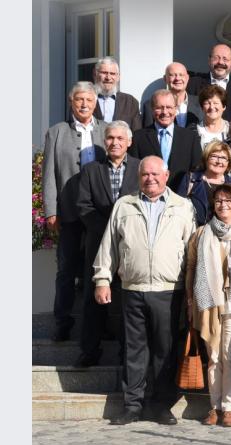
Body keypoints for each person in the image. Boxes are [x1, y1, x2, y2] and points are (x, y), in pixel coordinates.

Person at [93, 156, 196, 426]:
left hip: (169, 290)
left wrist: (191, 292)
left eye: (155, 174)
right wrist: (102, 279)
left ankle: (161, 405)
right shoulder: (124, 205)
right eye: (145, 174)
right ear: (139, 177)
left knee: (165, 349)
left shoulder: (182, 206)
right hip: (133, 288)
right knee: (134, 350)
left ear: (166, 175)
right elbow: (109, 246)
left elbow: (191, 251)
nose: (150, 178)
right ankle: (132, 405)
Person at [185, 183, 231, 428]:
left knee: (230, 357)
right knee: (214, 357)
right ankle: (214, 407)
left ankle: (229, 408)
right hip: (209, 303)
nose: (223, 205)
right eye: (218, 201)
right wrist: (190, 297)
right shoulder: (202, 233)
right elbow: (191, 266)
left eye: (228, 201)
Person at [43, 81, 107, 341]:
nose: (84, 104)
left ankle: (98, 326)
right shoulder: (57, 132)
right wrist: (50, 210)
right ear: (71, 102)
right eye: (79, 99)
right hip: (68, 210)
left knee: (98, 269)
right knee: (66, 268)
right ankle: (63, 321)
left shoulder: (105, 131)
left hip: (98, 211)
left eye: (89, 100)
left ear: (95, 103)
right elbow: (48, 175)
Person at [75, 121, 140, 367]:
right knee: (93, 299)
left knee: (128, 300)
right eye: (110, 138)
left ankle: (126, 353)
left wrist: (123, 232)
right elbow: (83, 206)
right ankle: (89, 350)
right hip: (97, 243)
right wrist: (107, 231)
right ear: (105, 142)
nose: (115, 142)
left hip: (130, 245)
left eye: (120, 139)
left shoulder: (139, 167)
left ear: (129, 142)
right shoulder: (91, 170)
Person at [129, 89, 203, 191]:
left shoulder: (190, 137)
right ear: (152, 109)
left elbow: (196, 170)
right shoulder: (139, 137)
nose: (165, 112)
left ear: (176, 109)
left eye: (169, 107)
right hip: (148, 196)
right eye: (159, 108)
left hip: (180, 197)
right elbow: (134, 170)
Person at [177, 140, 231, 226]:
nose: (219, 161)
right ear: (206, 158)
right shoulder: (191, 179)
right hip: (195, 233)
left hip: (224, 234)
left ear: (228, 163)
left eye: (223, 158)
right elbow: (177, 208)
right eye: (214, 156)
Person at [187, 43, 231, 121]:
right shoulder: (193, 83)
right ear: (209, 61)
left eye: (225, 59)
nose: (220, 62)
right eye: (216, 58)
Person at [144, 62, 202, 128]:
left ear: (187, 78)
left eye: (181, 75)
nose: (177, 78)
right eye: (172, 75)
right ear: (165, 78)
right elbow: (147, 134)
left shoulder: (201, 103)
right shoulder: (150, 105)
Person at [93, 56, 143, 130]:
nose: (108, 77)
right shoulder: (85, 99)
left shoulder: (131, 102)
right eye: (104, 73)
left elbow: (137, 133)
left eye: (112, 73)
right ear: (95, 75)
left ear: (118, 77)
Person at [193, 85, 230, 149]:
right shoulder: (194, 131)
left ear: (224, 107)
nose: (211, 107)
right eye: (207, 103)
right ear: (202, 107)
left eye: (215, 103)